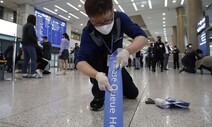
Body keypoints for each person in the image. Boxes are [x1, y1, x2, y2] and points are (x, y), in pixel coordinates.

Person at [75, 0, 148, 111]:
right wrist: (97, 75)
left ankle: (115, 89)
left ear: (112, 10)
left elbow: (142, 37)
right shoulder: (88, 31)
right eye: (97, 23)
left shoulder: (120, 18)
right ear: (90, 18)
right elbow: (80, 62)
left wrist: (127, 51)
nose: (103, 25)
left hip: (116, 65)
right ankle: (99, 94)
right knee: (100, 88)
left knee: (133, 93)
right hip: (98, 66)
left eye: (106, 20)